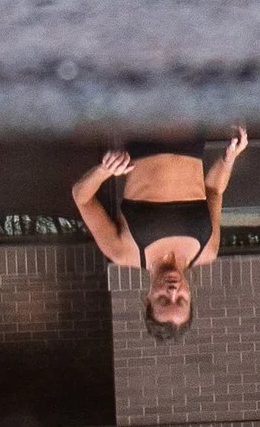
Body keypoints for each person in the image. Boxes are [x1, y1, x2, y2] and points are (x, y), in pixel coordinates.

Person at [70, 129, 249, 342]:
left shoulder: (124, 253)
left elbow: (81, 197)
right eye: (180, 300)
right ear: (190, 297)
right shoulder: (207, 250)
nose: (172, 292)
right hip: (190, 136)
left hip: (144, 136)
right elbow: (213, 191)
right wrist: (228, 160)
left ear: (147, 300)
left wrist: (104, 170)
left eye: (163, 300)